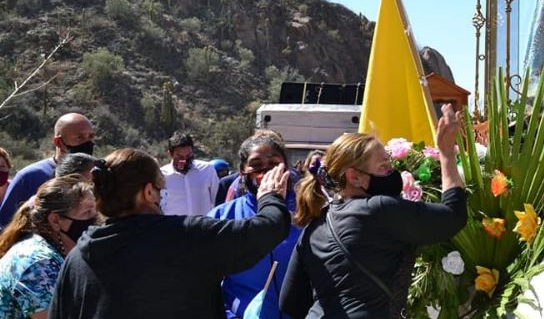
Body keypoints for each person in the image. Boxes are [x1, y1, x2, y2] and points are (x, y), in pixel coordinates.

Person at [49, 148, 291, 319]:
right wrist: (270, 195)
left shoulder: (78, 258)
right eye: (160, 189)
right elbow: (268, 229)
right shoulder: (186, 237)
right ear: (148, 193)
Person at [279, 104, 467, 318]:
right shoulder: (378, 209)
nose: (392, 172)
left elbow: (290, 301)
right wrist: (446, 154)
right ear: (354, 176)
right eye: (383, 167)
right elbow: (453, 215)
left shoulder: (315, 225)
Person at [208, 135, 301, 319]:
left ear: (286, 167)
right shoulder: (222, 216)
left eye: (274, 163)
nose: (266, 171)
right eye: (256, 165)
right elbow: (204, 280)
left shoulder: (309, 212)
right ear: (242, 170)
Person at [0, 175, 96, 319]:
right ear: (55, 220)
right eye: (87, 213)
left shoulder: (53, 250)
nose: (95, 220)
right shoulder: (37, 264)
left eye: (96, 211)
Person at [0, 113, 95, 228]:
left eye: (90, 137)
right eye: (79, 137)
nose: (87, 143)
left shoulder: (98, 174)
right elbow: (5, 225)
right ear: (58, 142)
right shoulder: (29, 177)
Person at [160, 132, 219, 216]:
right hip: (174, 227)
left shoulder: (207, 170)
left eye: (188, 155)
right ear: (170, 154)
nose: (184, 160)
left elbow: (215, 199)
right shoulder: (162, 175)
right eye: (180, 157)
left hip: (202, 226)